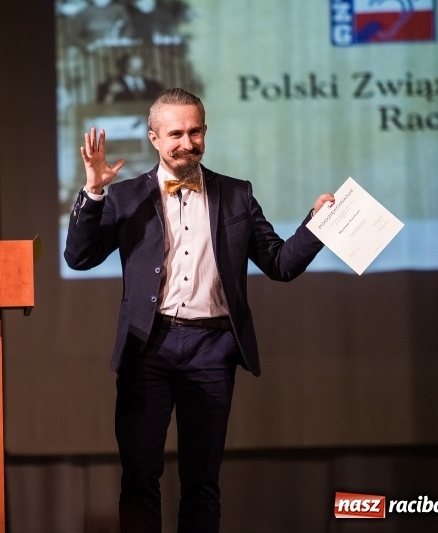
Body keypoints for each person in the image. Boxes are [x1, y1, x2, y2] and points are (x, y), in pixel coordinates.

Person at [63, 88, 335, 532]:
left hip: (212, 349)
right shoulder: (126, 196)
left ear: (205, 131)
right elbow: (79, 256)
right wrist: (94, 191)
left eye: (195, 131)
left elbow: (281, 264)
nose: (187, 142)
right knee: (139, 478)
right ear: (154, 137)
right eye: (175, 133)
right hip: (147, 348)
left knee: (203, 483)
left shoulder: (236, 195)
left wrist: (318, 223)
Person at [96, 52, 164, 104]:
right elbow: (102, 108)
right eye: (132, 66)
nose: (137, 70)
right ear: (124, 66)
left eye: (140, 66)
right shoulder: (109, 85)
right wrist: (111, 94)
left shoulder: (154, 85)